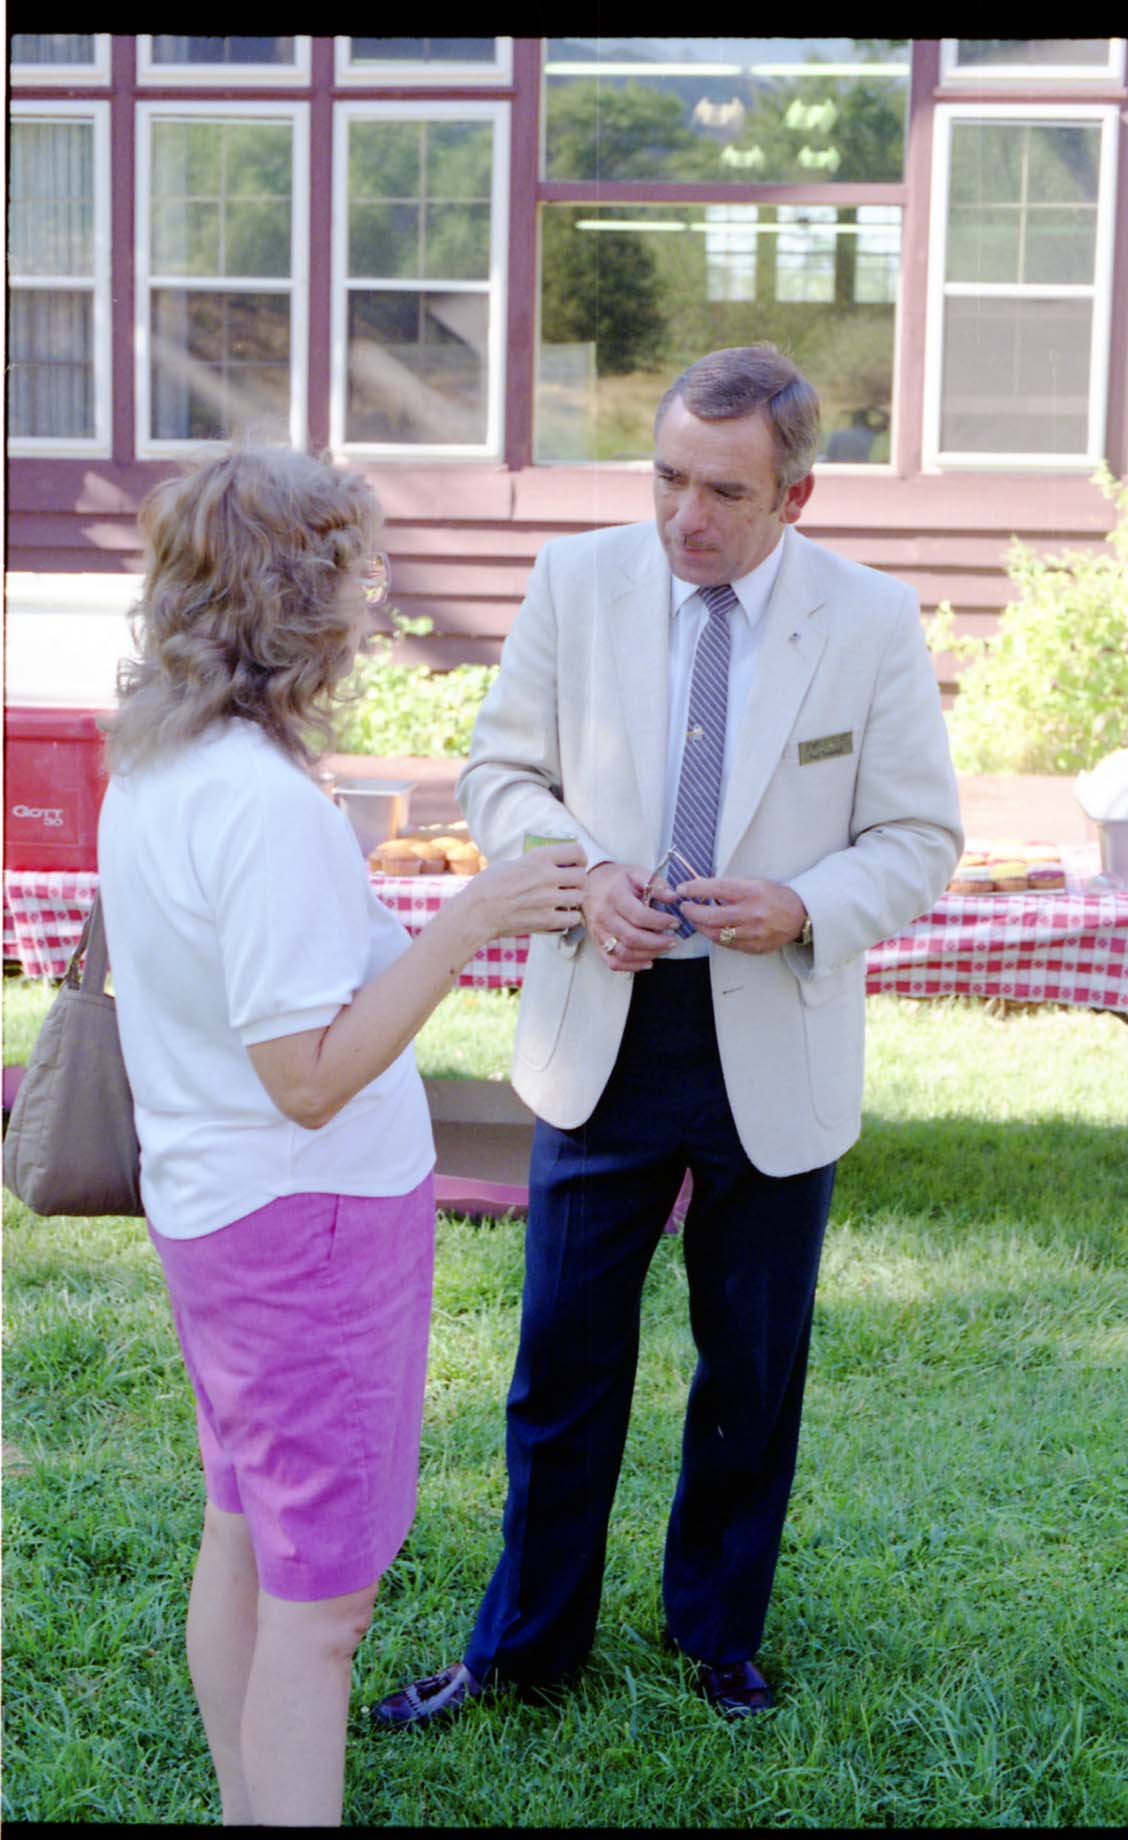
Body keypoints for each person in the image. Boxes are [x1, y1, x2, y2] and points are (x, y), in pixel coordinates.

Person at [371, 343, 962, 1728]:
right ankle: (524, 1647)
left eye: (724, 492)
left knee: (752, 1366)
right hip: (605, 1025)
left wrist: (808, 902)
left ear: (797, 495)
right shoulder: (577, 584)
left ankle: (718, 1633)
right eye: (667, 479)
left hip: (777, 1038)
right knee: (564, 1359)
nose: (687, 515)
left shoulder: (870, 620)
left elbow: (922, 837)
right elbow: (499, 770)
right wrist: (580, 877)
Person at [97, 444, 586, 1825]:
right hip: (306, 1230)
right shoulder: (258, 804)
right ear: (297, 604)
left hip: (221, 1216)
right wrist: (467, 921)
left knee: (246, 1540)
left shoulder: (166, 761)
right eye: (358, 577)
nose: (374, 607)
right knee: (324, 1615)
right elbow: (306, 1077)